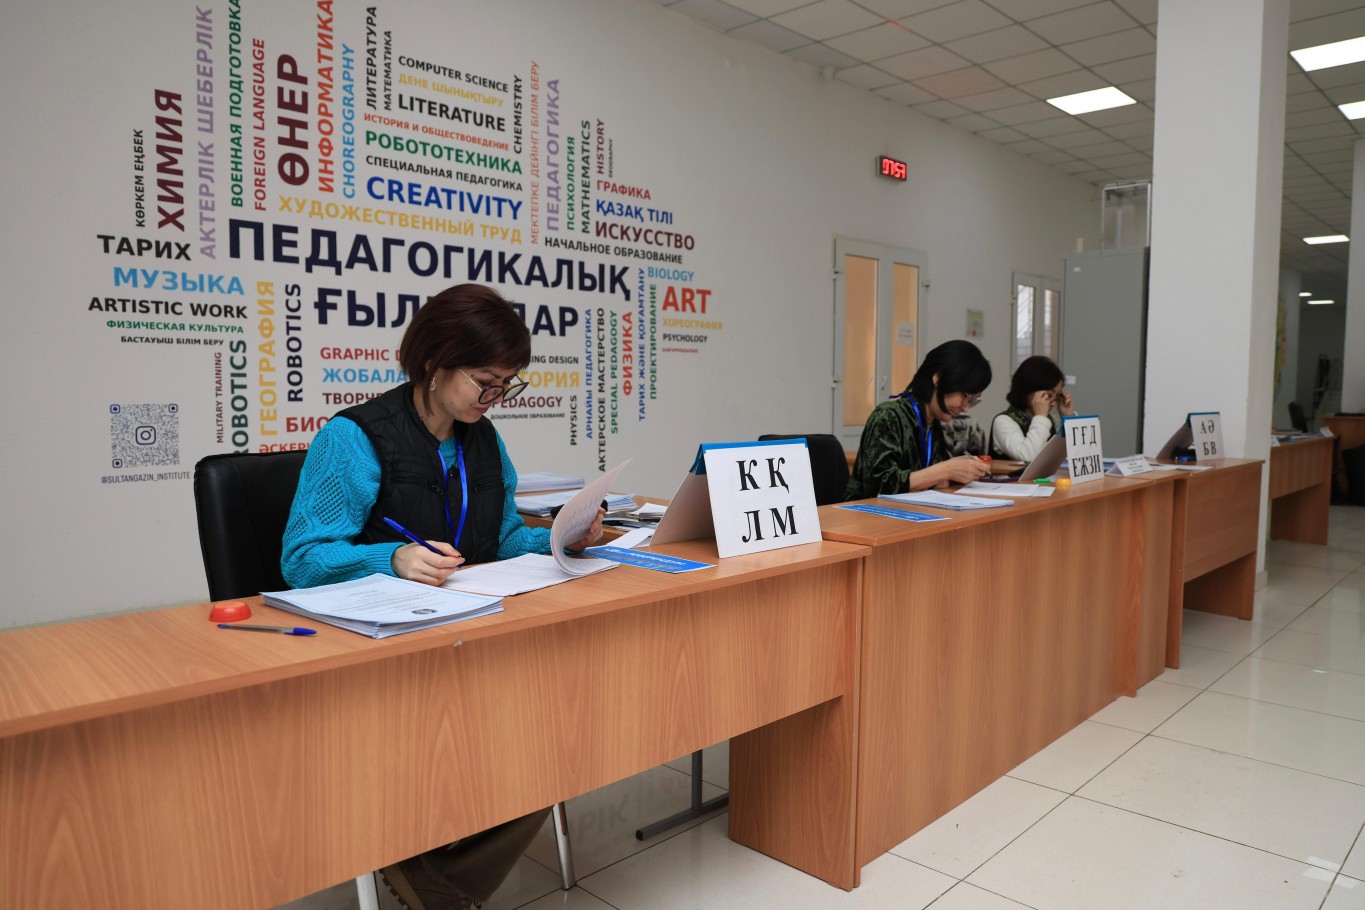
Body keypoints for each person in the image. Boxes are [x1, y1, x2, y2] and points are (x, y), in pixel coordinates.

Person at [282, 283, 602, 910]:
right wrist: (390, 559)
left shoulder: (483, 439)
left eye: (506, 384)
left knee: (560, 728)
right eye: (485, 381)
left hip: (469, 633)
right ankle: (431, 876)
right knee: (515, 732)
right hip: (384, 652)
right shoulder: (355, 438)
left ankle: (434, 875)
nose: (494, 398)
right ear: (434, 362)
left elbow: (501, 539)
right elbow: (302, 558)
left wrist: (560, 539)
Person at [844, 340, 993, 499]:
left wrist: (959, 472)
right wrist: (946, 470)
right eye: (966, 397)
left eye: (973, 401)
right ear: (938, 379)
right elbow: (879, 486)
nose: (966, 408)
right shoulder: (888, 416)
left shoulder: (933, 424)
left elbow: (935, 481)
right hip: (866, 511)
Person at [989, 355, 1076, 462]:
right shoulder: (1004, 421)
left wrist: (1068, 417)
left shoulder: (1050, 418)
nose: (1053, 402)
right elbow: (1028, 457)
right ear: (1028, 390)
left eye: (1057, 395)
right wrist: (1041, 417)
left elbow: (1074, 453)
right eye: (1049, 395)